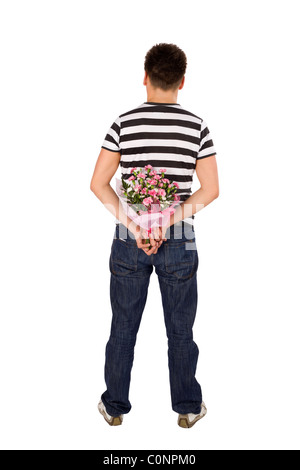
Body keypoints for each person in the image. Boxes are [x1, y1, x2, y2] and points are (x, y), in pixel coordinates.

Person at [90, 43, 219, 429]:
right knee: (180, 330)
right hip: (179, 239)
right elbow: (210, 190)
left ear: (145, 76)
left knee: (123, 327)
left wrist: (138, 225)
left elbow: (98, 184)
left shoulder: (123, 124)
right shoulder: (197, 126)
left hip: (129, 240)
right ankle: (187, 407)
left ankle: (114, 407)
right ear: (182, 81)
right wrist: (165, 223)